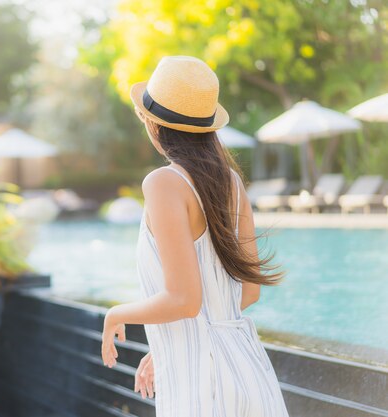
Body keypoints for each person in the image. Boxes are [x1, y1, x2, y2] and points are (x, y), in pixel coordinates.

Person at [100, 56, 290, 417]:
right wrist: (167, 344)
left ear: (154, 124)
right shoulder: (232, 183)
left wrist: (115, 314)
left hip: (202, 385)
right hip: (251, 373)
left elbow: (184, 299)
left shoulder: (163, 183)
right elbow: (247, 292)